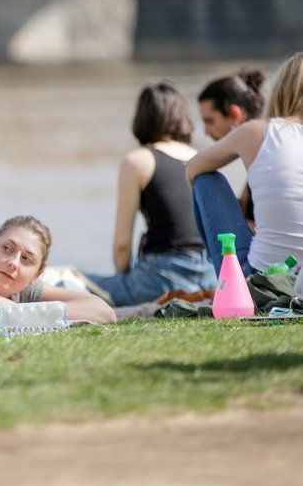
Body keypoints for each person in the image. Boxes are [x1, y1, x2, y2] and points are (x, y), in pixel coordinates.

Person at [87, 82, 215, 306]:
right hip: (210, 276)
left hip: (161, 278)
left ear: (142, 118)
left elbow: (122, 246)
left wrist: (123, 279)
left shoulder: (138, 160)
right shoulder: (203, 158)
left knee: (73, 280)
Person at [187, 53, 303, 277]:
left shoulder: (257, 131)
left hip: (262, 279)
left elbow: (192, 169)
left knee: (204, 179)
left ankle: (225, 281)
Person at [197, 68, 266, 224]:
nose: (206, 132)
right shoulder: (264, 151)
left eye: (210, 121)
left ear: (235, 114)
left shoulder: (265, 149)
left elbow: (192, 168)